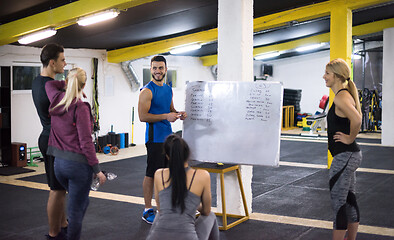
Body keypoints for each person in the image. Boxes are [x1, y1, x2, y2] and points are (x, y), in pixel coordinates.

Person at [46, 67, 107, 240]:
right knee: (76, 213)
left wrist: (68, 82)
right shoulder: (81, 107)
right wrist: (97, 170)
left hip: (58, 165)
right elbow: (86, 142)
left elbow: (50, 84)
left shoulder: (57, 99)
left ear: (67, 81)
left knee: (78, 202)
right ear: (85, 84)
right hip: (77, 167)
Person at [138, 55, 187, 224]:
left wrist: (179, 114)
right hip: (154, 139)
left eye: (160, 68)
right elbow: (143, 116)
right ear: (150, 69)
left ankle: (164, 207)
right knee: (152, 174)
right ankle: (147, 209)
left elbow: (170, 109)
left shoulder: (168, 89)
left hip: (168, 138)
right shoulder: (147, 91)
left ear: (166, 69)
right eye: (154, 68)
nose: (157, 71)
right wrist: (166, 116)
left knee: (166, 173)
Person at [147, 134, 219, 240]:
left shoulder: (159, 174)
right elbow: (206, 211)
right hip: (187, 236)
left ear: (167, 156)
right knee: (211, 216)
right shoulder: (203, 175)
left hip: (157, 237)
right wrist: (194, 204)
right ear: (188, 154)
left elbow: (161, 209)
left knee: (159, 215)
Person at [32, 43, 68, 239]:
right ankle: (53, 233)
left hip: (49, 138)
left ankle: (62, 224)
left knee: (60, 188)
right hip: (53, 141)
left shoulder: (38, 82)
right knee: (57, 189)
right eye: (62, 60)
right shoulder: (50, 85)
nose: (65, 63)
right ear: (52, 62)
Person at [323, 58, 362, 240]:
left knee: (339, 204)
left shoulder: (341, 97)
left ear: (337, 76)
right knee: (348, 200)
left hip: (345, 156)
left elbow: (357, 119)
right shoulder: (344, 95)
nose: (324, 77)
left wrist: (349, 137)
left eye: (327, 73)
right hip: (349, 155)